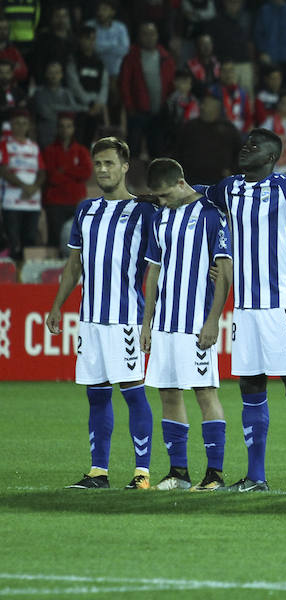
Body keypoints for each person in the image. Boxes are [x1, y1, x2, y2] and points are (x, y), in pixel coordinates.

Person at [203, 128, 286, 493]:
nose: (246, 148)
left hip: (282, 306)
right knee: (250, 386)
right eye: (245, 143)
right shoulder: (229, 187)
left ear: (273, 157)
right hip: (244, 308)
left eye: (254, 146)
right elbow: (195, 193)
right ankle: (255, 476)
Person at [45, 137, 157, 490]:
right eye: (99, 164)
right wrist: (57, 305)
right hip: (90, 319)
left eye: (110, 163)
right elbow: (74, 263)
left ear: (125, 167)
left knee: (133, 392)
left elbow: (159, 263)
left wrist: (149, 319)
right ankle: (98, 472)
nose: (104, 170)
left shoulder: (144, 211)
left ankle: (142, 472)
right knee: (96, 394)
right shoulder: (85, 210)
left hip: (126, 318)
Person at [140, 158, 232, 492]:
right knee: (168, 393)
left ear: (180, 184)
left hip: (196, 322)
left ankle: (215, 474)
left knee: (205, 393)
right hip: (164, 323)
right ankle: (178, 472)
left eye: (164, 194)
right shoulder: (161, 218)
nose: (160, 202)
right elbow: (153, 272)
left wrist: (213, 321)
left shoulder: (211, 215)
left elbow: (224, 270)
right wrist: (147, 323)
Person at [119, 22, 176, 159]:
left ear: (157, 36)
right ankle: (132, 180)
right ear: (139, 37)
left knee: (157, 152)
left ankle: (154, 180)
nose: (149, 37)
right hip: (137, 113)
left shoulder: (166, 58)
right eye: (145, 34)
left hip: (159, 113)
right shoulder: (131, 58)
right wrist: (130, 107)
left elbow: (171, 84)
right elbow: (124, 84)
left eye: (152, 34)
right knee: (133, 151)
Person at [42, 113, 92, 249]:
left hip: (76, 202)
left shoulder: (81, 151)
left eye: (68, 126)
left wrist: (64, 169)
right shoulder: (49, 151)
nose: (65, 130)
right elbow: (52, 177)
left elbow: (86, 173)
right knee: (55, 240)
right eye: (62, 126)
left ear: (73, 129)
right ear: (57, 129)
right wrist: (74, 171)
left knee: (78, 242)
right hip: (55, 203)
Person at [0, 109, 44, 259]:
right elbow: (4, 171)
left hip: (32, 203)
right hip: (11, 202)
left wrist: (34, 187)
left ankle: (25, 277)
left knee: (30, 241)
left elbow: (42, 172)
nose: (21, 126)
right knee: (13, 242)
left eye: (24, 123)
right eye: (17, 123)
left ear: (28, 126)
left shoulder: (34, 146)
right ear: (11, 125)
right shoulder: (4, 145)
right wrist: (25, 186)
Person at [174, 95, 242, 185]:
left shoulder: (228, 129)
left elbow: (240, 152)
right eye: (202, 104)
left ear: (216, 109)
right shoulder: (189, 127)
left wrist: (233, 171)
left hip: (220, 181)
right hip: (192, 181)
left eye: (206, 105)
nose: (202, 107)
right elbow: (177, 150)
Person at [66, 25, 109, 146]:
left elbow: (104, 84)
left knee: (91, 143)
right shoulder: (74, 59)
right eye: (87, 38)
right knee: (77, 142)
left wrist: (99, 103)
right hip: (78, 109)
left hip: (95, 109)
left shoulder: (99, 62)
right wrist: (88, 102)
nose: (90, 42)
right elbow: (73, 84)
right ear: (80, 39)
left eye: (93, 39)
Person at [30, 61, 84, 149]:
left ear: (61, 75)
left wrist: (54, 108)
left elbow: (74, 110)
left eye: (56, 73)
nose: (54, 76)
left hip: (65, 132)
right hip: (46, 132)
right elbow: (45, 113)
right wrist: (64, 111)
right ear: (46, 74)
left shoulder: (66, 93)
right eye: (50, 73)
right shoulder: (39, 93)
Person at [254, 0, 286, 96]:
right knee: (268, 90)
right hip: (270, 57)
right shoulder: (264, 10)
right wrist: (262, 51)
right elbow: (258, 33)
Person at [208, 60, 252, 134]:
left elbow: (248, 117)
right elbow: (210, 117)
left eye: (231, 71)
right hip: (220, 133)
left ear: (234, 73)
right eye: (225, 71)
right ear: (219, 73)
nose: (228, 74)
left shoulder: (243, 93)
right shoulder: (212, 92)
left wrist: (242, 132)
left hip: (240, 133)